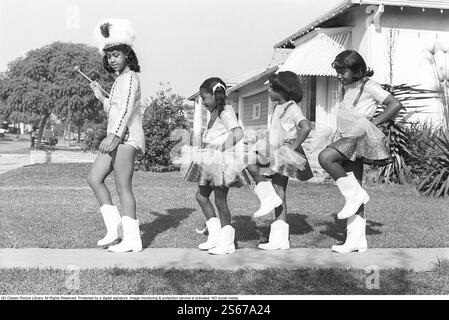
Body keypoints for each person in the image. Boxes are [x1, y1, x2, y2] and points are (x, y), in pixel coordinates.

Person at [317, 50, 403, 253]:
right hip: (345, 135)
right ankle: (356, 240)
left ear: (357, 70)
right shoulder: (347, 85)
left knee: (325, 157)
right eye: (337, 71)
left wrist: (373, 123)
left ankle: (356, 196)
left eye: (342, 71)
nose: (338, 75)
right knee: (354, 186)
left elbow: (395, 104)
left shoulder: (369, 85)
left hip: (357, 136)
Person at [88, 18, 145, 253]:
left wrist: (113, 136)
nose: (113, 59)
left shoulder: (130, 77)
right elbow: (115, 108)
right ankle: (115, 228)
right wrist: (101, 97)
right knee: (94, 178)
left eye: (117, 55)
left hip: (127, 138)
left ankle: (133, 240)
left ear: (127, 55)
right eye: (109, 55)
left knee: (123, 187)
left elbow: (126, 109)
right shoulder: (120, 79)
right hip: (117, 137)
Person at [181, 77, 250, 255]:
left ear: (214, 95)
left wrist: (221, 149)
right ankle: (214, 236)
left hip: (220, 162)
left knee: (220, 200)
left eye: (204, 98)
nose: (203, 102)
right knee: (201, 196)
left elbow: (238, 132)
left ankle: (227, 242)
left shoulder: (226, 111)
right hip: (208, 159)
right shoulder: (215, 111)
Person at [245, 71, 313, 250]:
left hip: (284, 151)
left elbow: (305, 127)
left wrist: (292, 147)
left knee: (279, 190)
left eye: (272, 88)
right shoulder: (277, 108)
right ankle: (267, 197)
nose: (268, 90)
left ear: (283, 90)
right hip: (273, 148)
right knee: (249, 161)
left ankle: (280, 239)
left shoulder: (292, 107)